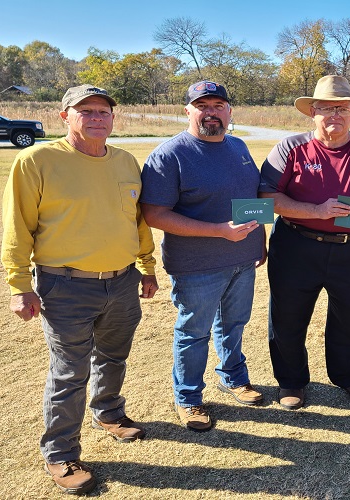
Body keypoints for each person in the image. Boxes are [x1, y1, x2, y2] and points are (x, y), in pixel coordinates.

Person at [1, 84, 159, 495]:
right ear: (64, 116)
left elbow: (136, 222)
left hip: (122, 281)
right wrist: (19, 285)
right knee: (70, 371)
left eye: (103, 111)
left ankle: (108, 413)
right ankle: (60, 453)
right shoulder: (36, 160)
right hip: (64, 285)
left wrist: (146, 267)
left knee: (114, 356)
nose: (96, 118)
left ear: (113, 117)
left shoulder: (125, 162)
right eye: (85, 111)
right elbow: (17, 227)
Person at [258, 75, 350, 410]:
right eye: (326, 108)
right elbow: (266, 196)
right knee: (288, 317)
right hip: (297, 245)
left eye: (342, 108)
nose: (334, 115)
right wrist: (316, 210)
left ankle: (349, 377)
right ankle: (292, 383)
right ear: (313, 112)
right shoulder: (290, 148)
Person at [140, 81, 266, 432]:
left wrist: (260, 241)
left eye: (218, 105)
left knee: (234, 323)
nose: (211, 112)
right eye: (202, 106)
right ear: (188, 111)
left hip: (242, 259)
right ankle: (189, 398)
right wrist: (219, 231)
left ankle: (233, 376)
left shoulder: (238, 147)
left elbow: (252, 198)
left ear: (228, 111)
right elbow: (155, 215)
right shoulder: (170, 155)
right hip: (197, 266)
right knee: (193, 333)